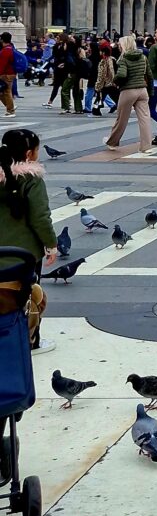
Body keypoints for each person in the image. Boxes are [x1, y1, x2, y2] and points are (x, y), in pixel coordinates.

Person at [0, 127, 56, 353]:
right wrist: (51, 244)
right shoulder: (31, 179)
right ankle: (30, 340)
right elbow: (40, 217)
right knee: (30, 295)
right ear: (29, 154)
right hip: (23, 253)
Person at [105, 34, 153, 153]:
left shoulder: (124, 59)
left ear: (124, 46)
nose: (119, 47)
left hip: (128, 91)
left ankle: (112, 143)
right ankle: (146, 146)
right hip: (142, 90)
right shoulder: (143, 57)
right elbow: (149, 75)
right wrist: (150, 91)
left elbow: (122, 74)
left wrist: (115, 81)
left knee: (122, 119)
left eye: (120, 45)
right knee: (145, 118)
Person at [0, 32, 18, 115]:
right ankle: (10, 107)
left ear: (2, 40)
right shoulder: (11, 48)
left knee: (6, 92)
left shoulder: (6, 50)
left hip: (6, 74)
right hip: (10, 73)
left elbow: (2, 64)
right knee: (4, 92)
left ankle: (10, 110)